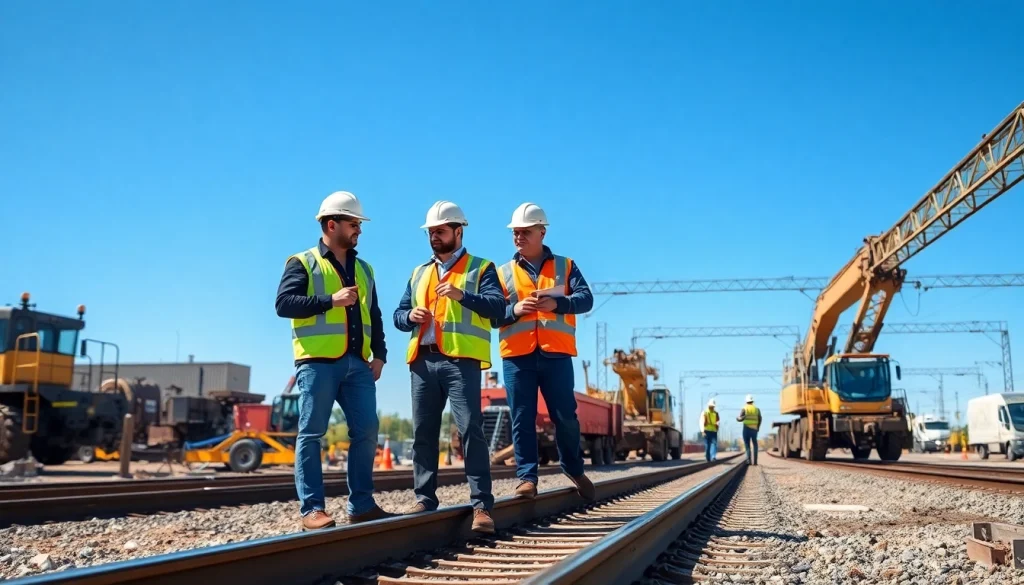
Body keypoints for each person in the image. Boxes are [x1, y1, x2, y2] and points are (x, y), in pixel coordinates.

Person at [275, 190, 395, 530]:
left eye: (359, 224)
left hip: (359, 364)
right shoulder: (302, 261)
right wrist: (330, 300)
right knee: (312, 434)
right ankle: (311, 510)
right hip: (317, 363)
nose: (359, 230)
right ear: (332, 224)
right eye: (354, 223)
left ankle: (362, 505)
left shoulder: (365, 269)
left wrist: (381, 355)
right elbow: (284, 304)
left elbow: (375, 314)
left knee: (367, 430)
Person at [393, 201, 507, 534]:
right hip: (423, 360)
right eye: (431, 232)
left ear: (459, 231)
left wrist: (462, 295)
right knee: (422, 435)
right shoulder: (418, 273)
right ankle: (424, 498)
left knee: (471, 430)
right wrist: (408, 317)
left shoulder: (481, 268)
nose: (434, 237)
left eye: (440, 231)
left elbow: (498, 309)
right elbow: (399, 314)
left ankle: (482, 505)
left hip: (461, 361)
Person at [491, 202, 596, 501]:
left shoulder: (566, 266)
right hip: (517, 355)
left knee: (565, 417)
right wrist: (514, 309)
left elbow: (586, 299)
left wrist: (559, 304)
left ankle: (574, 469)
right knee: (521, 417)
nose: (518, 237)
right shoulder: (502, 273)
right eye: (515, 232)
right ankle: (526, 478)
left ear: (542, 232)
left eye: (525, 232)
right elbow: (492, 315)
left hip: (556, 354)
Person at [736, 394, 762, 465]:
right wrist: (758, 427)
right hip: (754, 429)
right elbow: (760, 419)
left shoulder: (744, 408)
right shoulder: (757, 409)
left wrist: (737, 418)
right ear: (752, 401)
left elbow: (740, 418)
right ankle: (755, 461)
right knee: (755, 444)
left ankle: (749, 461)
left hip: (746, 428)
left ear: (746, 401)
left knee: (747, 445)